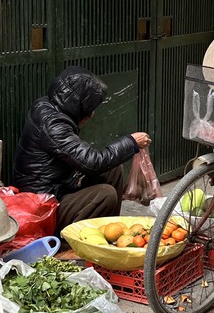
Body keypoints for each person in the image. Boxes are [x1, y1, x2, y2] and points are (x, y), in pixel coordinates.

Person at [11, 66, 150, 233]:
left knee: (114, 169)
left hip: (59, 187)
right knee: (106, 194)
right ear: (77, 105)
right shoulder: (53, 124)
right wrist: (131, 143)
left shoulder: (49, 106)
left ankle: (111, 232)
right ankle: (81, 241)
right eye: (89, 109)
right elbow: (91, 161)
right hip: (44, 207)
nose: (91, 115)